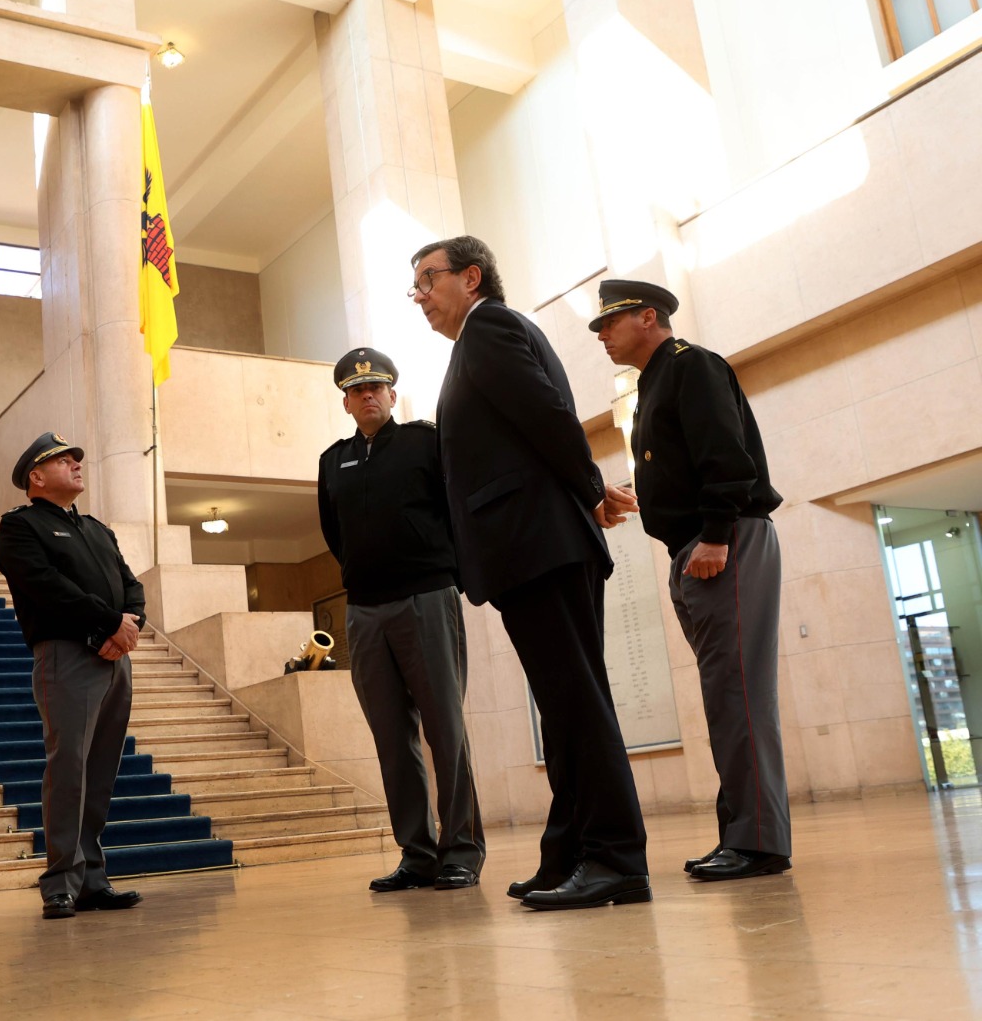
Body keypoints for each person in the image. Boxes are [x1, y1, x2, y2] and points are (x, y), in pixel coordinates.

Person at [413, 235, 649, 912]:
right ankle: (569, 851)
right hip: (533, 545)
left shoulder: (490, 327)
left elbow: (546, 415)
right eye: (415, 287)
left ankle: (615, 858)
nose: (420, 296)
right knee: (565, 706)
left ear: (472, 277)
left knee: (576, 704)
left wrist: (590, 488)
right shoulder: (481, 338)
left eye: (429, 280)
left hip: (539, 543)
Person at [592, 280, 791, 881]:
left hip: (722, 543)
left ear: (648, 317)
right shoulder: (653, 383)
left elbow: (725, 456)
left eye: (610, 323)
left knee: (739, 695)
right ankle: (743, 833)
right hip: (695, 547)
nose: (602, 335)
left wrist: (716, 533)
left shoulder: (690, 365)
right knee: (725, 695)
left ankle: (757, 842)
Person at [316, 348, 485, 893]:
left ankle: (460, 850)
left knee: (445, 731)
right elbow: (334, 533)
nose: (367, 395)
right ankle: (417, 853)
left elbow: (456, 508)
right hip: (365, 609)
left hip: (427, 596)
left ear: (392, 393)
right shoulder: (332, 460)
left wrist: (450, 571)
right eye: (356, 390)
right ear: (345, 402)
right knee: (391, 738)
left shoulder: (423, 442)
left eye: (376, 387)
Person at [0, 434, 146, 920]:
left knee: (100, 772)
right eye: (62, 460)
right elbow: (46, 587)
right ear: (36, 477)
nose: (76, 464)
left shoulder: (96, 529)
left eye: (76, 458)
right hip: (66, 655)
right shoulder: (20, 527)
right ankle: (60, 881)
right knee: (69, 770)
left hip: (115, 658)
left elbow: (132, 586)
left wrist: (128, 625)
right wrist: (107, 624)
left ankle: (92, 880)